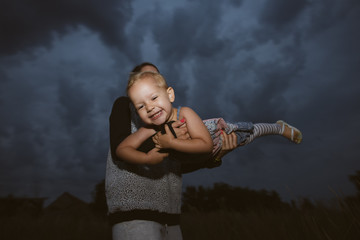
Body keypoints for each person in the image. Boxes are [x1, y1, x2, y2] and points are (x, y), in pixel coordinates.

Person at [106, 63, 239, 240]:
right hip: (135, 213)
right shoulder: (125, 106)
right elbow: (119, 149)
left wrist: (214, 158)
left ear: (166, 90)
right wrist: (168, 138)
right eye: (142, 76)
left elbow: (178, 165)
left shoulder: (175, 116)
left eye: (154, 81)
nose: (149, 104)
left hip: (170, 216)